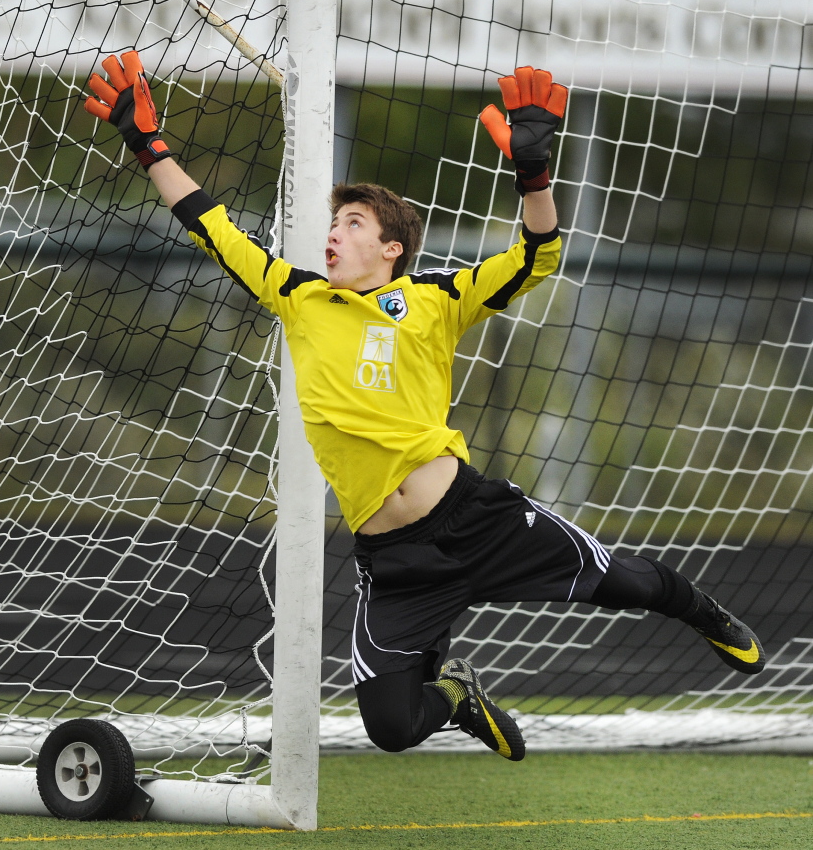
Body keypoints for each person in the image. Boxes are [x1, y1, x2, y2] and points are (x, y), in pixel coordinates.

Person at [85, 52, 766, 762]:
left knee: (628, 584)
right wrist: (148, 143)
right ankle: (457, 695)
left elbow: (537, 255)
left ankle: (707, 613)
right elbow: (207, 222)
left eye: (351, 223)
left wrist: (532, 173)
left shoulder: (434, 298)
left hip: (477, 521)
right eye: (333, 223)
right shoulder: (296, 294)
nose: (333, 233)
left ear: (390, 248)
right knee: (391, 728)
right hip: (395, 558)